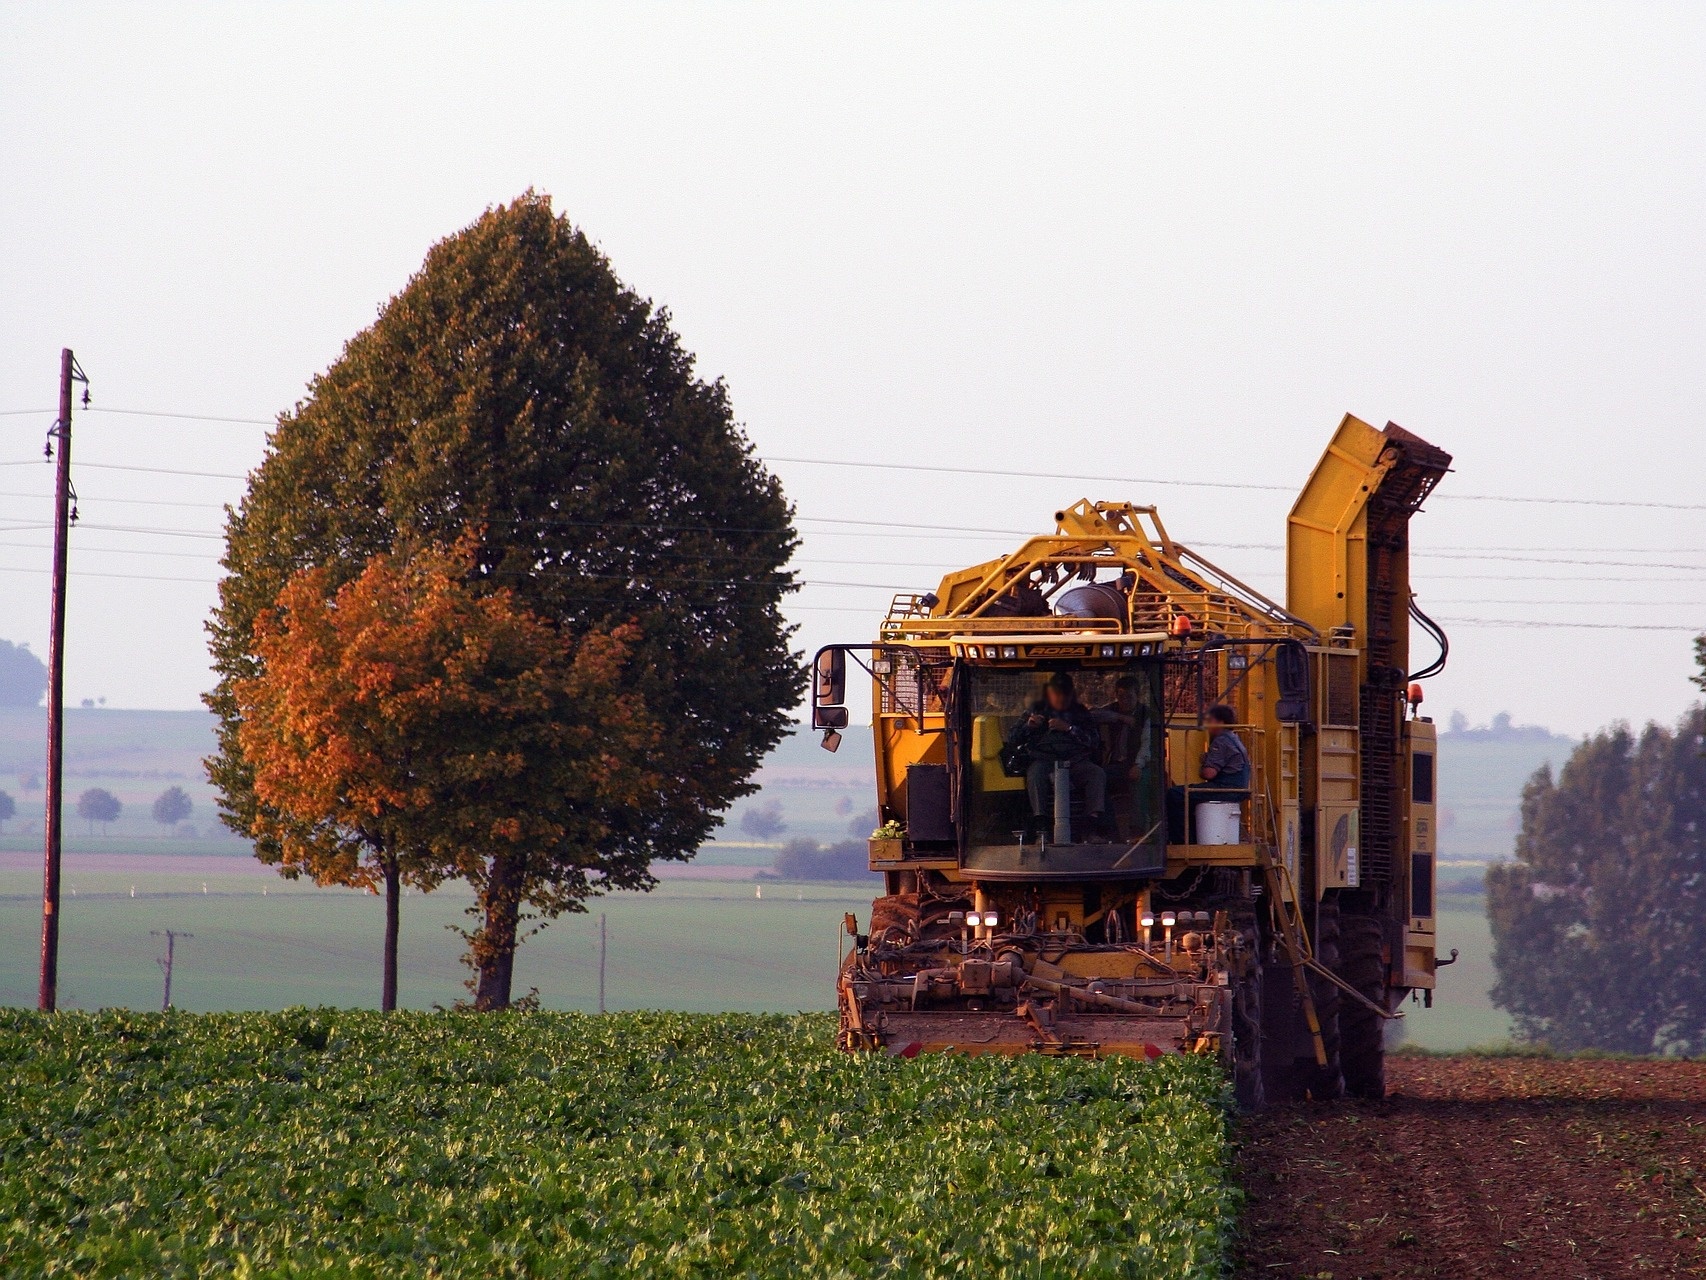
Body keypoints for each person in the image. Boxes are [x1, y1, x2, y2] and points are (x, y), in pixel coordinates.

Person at [1004, 672, 1108, 841]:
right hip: (1044, 760)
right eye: (1056, 694)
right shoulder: (1035, 710)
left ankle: (1091, 828)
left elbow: (1094, 741)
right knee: (1035, 775)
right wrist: (1028, 727)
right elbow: (1012, 738)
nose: (1060, 698)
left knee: (1096, 774)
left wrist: (1069, 729)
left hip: (1076, 761)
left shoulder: (1080, 712)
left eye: (1064, 694)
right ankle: (1041, 827)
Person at [1166, 704, 1250, 841]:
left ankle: (1182, 841)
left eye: (1210, 721)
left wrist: (1203, 766)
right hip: (1237, 787)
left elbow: (1209, 773)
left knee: (1175, 794)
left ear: (1220, 722)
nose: (1207, 725)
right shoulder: (1235, 738)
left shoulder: (1221, 741)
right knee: (1191, 796)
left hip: (1226, 788)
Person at [1093, 675, 1148, 837]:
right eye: (1121, 697)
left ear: (1137, 695)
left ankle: (1138, 830)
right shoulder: (1112, 710)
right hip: (1115, 765)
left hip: (1140, 764)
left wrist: (1138, 764)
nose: (1124, 701)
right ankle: (1111, 830)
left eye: (1129, 697)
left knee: (1141, 781)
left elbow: (1147, 742)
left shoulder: (1146, 714)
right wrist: (1119, 717)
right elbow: (1092, 715)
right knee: (1098, 777)